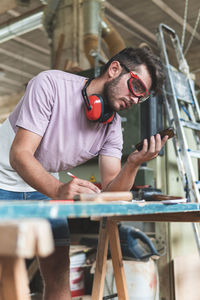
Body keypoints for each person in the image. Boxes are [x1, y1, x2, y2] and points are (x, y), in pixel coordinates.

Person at [0, 47, 167, 300]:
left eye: (142, 97)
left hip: (41, 187)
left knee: (58, 273)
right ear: (114, 70)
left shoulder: (112, 125)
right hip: (4, 178)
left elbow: (111, 191)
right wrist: (57, 190)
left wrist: (133, 163)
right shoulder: (51, 84)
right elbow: (20, 154)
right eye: (136, 88)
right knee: (6, 275)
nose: (136, 100)